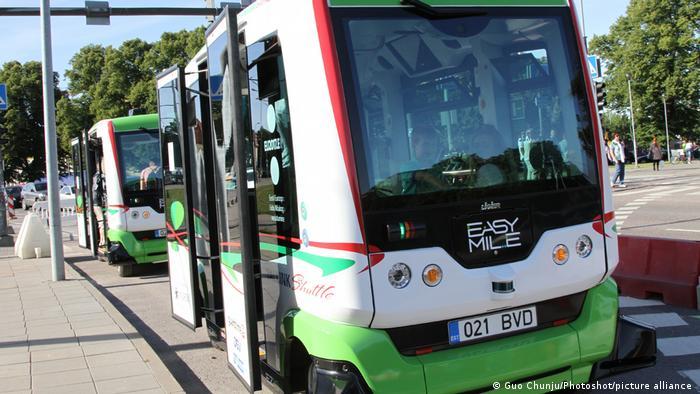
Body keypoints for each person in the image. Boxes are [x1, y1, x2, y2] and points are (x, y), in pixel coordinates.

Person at [400, 127, 444, 194]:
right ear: (414, 144)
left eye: (433, 145)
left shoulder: (435, 166)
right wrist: (444, 187)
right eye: (426, 144)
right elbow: (423, 176)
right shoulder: (407, 166)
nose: (430, 149)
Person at [92, 167, 106, 248]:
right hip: (97, 203)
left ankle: (102, 241)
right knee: (102, 222)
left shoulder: (96, 175)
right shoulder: (99, 176)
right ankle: (103, 242)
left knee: (102, 222)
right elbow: (98, 190)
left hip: (96, 203)